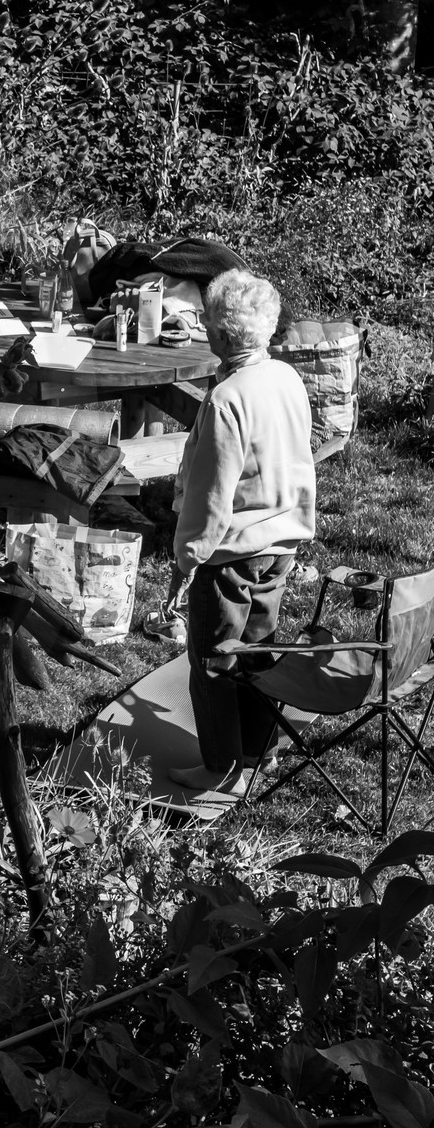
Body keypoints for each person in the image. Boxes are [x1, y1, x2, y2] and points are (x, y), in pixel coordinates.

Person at [167, 270, 317, 795]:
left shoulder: (229, 398)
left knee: (213, 661)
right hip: (283, 539)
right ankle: (259, 751)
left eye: (207, 319)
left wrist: (189, 559)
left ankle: (220, 769)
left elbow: (212, 492)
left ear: (224, 336)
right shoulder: (286, 378)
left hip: (233, 550)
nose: (203, 326)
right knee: (259, 650)